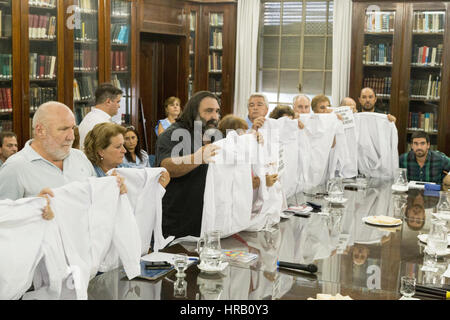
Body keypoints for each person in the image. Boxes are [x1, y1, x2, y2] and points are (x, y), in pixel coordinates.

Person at [155, 91, 221, 238]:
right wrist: (197, 158)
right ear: (194, 111)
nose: (215, 116)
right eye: (209, 111)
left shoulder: (211, 135)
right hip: (178, 219)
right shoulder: (171, 134)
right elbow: (166, 167)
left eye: (217, 111)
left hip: (205, 217)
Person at [0, 102, 97, 200]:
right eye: (64, 129)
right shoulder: (14, 168)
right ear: (40, 131)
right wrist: (33, 206)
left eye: (72, 128)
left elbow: (96, 198)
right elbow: (5, 213)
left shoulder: (80, 157)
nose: (71, 137)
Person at [84, 122, 170, 187]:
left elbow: (147, 175)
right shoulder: (89, 175)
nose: (124, 151)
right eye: (118, 147)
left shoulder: (126, 169)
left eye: (123, 145)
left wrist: (158, 178)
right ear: (101, 151)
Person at [78, 83, 123, 149]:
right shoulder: (99, 123)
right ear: (108, 102)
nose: (119, 106)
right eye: (118, 102)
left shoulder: (92, 117)